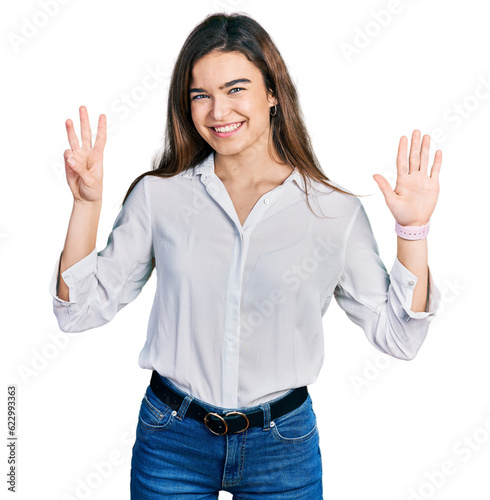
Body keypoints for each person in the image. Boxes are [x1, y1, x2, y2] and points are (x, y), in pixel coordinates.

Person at [49, 12, 442, 499]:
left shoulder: (331, 212)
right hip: (172, 439)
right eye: (201, 95)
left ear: (272, 92)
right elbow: (79, 310)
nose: (218, 112)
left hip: (283, 447)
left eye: (236, 89)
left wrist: (413, 230)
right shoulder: (161, 197)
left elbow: (401, 337)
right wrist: (86, 205)